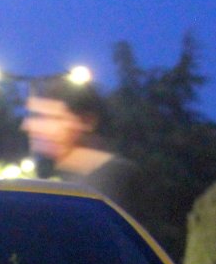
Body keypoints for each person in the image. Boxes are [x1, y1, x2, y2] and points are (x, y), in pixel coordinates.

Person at [22, 74, 144, 216]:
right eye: (34, 117)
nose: (30, 126)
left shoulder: (112, 179)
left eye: (48, 117)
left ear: (86, 121)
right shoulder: (61, 178)